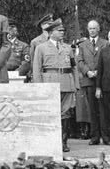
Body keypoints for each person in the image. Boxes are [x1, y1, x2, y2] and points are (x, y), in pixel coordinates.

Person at [33, 18, 80, 152]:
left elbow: (74, 67)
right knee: (50, 113)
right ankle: (49, 142)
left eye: (63, 30)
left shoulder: (67, 48)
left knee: (66, 114)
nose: (62, 33)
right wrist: (39, 87)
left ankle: (63, 142)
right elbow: (37, 68)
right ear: (51, 32)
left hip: (66, 82)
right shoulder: (41, 48)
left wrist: (76, 84)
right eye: (59, 31)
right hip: (49, 83)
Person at [77, 20, 109, 145]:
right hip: (89, 80)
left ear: (99, 29)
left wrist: (99, 72)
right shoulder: (82, 45)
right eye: (90, 28)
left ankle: (106, 136)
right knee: (92, 110)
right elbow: (79, 61)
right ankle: (94, 137)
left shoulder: (105, 43)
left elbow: (108, 59)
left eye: (94, 28)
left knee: (104, 109)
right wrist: (87, 72)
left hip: (102, 80)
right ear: (87, 29)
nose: (92, 30)